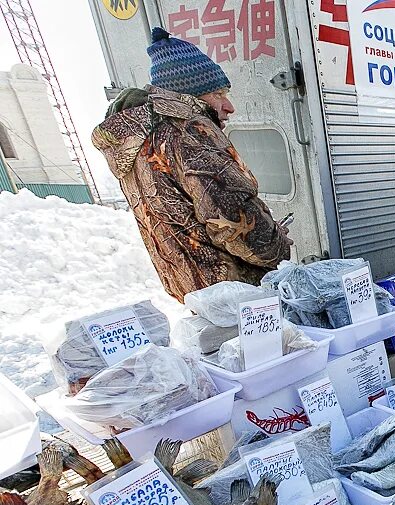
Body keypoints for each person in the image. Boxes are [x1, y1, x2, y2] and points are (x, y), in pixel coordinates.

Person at [92, 27, 291, 304]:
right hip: (237, 292)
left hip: (196, 290)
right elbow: (230, 216)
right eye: (218, 94)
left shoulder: (139, 134)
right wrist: (278, 244)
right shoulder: (187, 132)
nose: (229, 106)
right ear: (191, 96)